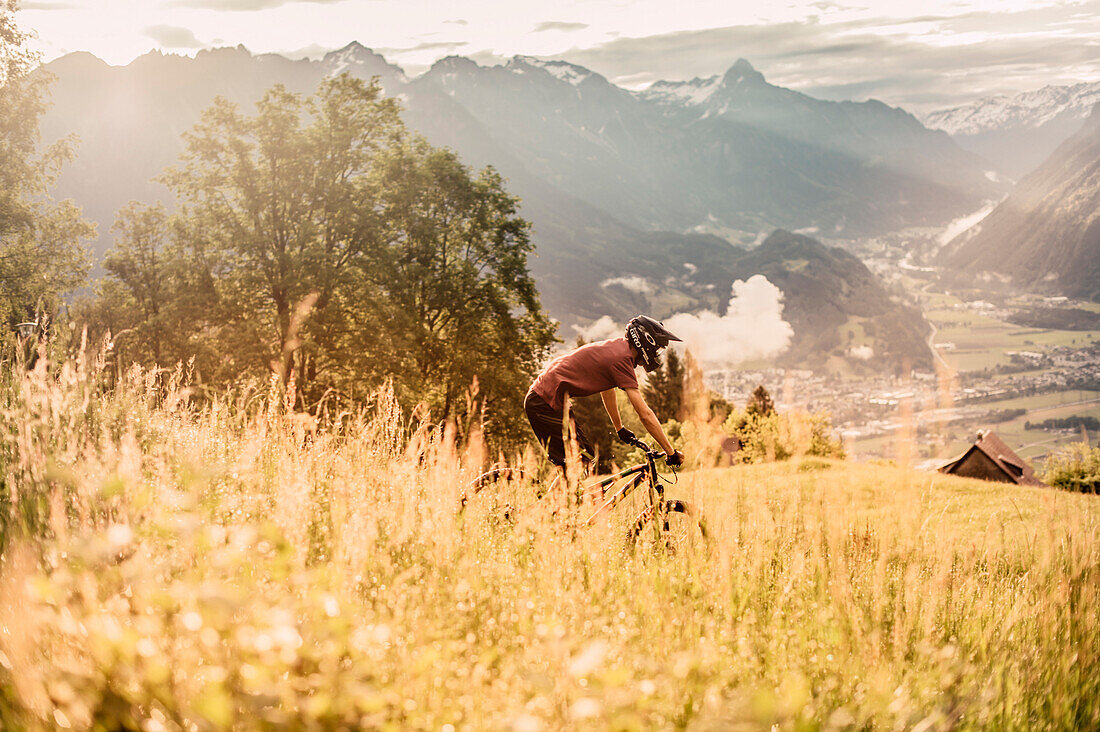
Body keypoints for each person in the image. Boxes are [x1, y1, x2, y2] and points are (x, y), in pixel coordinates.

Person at [525, 315, 685, 471]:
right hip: (543, 403)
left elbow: (607, 389)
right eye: (656, 349)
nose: (656, 354)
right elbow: (644, 414)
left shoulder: (618, 349)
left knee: (582, 461)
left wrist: (619, 428)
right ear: (646, 342)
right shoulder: (622, 359)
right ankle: (551, 498)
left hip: (551, 402)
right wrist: (671, 452)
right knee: (579, 465)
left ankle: (560, 497)